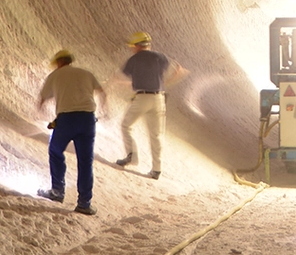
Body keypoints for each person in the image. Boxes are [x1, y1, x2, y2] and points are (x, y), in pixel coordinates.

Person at [37, 49, 107, 216]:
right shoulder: (85, 73)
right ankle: (84, 203)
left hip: (67, 119)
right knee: (85, 161)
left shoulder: (54, 76)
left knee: (55, 150)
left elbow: (42, 99)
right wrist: (103, 111)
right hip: (88, 120)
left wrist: (43, 113)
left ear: (58, 62)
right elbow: (102, 92)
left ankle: (57, 191)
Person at [113, 32, 187, 179]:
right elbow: (179, 72)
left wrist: (117, 81)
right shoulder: (160, 57)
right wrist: (166, 82)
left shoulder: (134, 60)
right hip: (159, 98)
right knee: (156, 135)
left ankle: (131, 156)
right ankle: (156, 170)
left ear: (137, 46)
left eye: (133, 46)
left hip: (142, 98)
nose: (132, 49)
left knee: (126, 125)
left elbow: (123, 76)